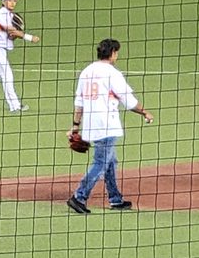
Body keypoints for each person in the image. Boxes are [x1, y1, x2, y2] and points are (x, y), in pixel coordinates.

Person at [66, 38, 154, 214]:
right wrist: (145, 112)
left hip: (91, 125)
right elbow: (128, 101)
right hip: (107, 125)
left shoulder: (86, 71)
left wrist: (75, 126)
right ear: (113, 53)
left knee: (110, 162)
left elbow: (79, 103)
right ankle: (78, 197)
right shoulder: (112, 73)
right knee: (101, 163)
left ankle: (115, 199)